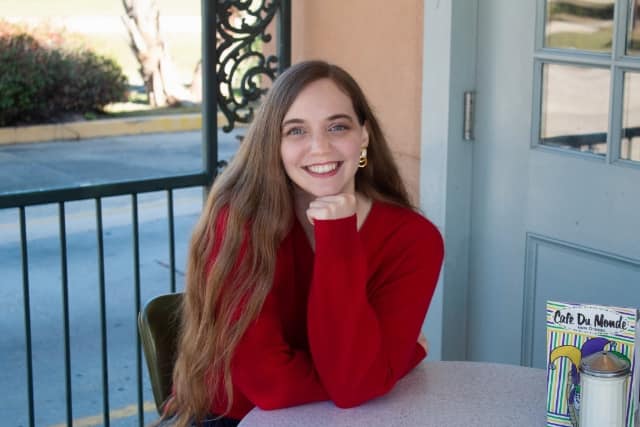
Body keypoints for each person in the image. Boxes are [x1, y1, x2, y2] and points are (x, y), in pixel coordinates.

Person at [164, 60, 444, 427]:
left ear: (363, 136)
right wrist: (393, 365)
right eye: (296, 131)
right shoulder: (238, 221)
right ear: (274, 144)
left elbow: (353, 386)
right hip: (229, 419)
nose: (320, 147)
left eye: (337, 127)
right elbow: (271, 385)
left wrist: (338, 235)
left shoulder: (413, 240)